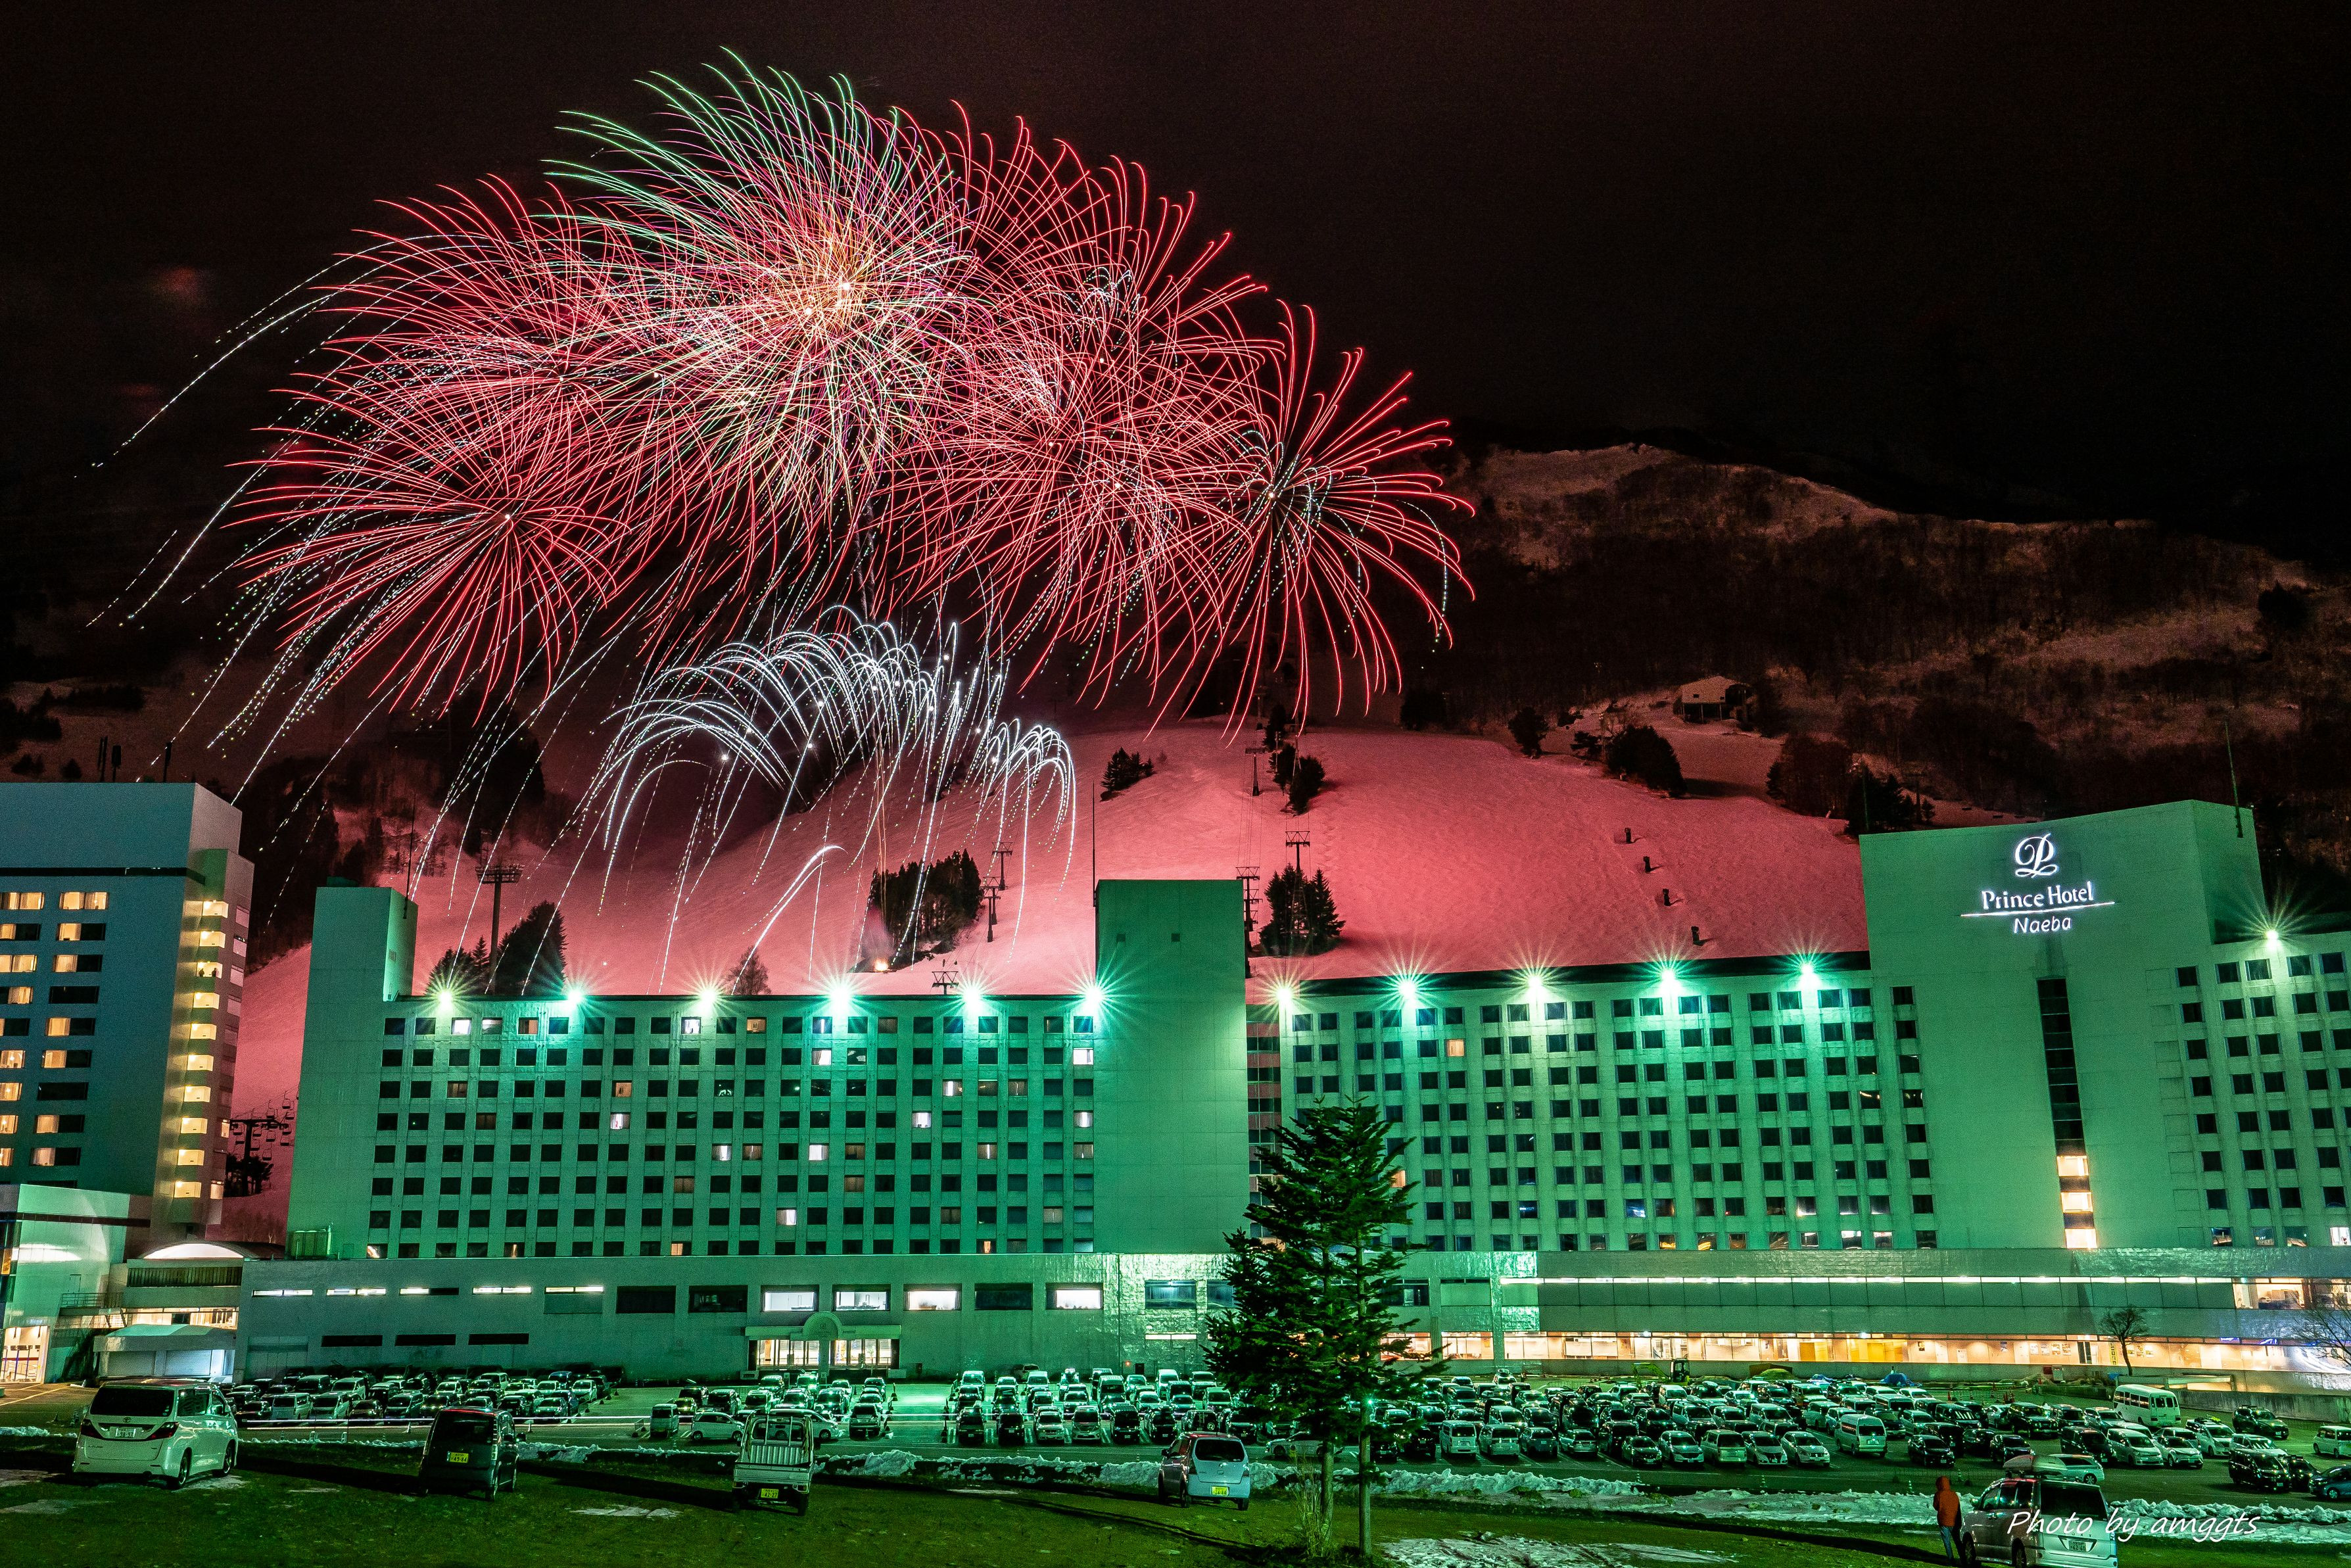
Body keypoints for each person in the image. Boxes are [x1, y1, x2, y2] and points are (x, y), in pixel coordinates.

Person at [1933, 1474, 1963, 1561]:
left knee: (1947, 1541)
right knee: (1958, 1541)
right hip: (1954, 1521)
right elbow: (1958, 1508)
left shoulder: (1938, 1494)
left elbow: (1935, 1506)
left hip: (1944, 1521)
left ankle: (1951, 1559)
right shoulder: (1954, 1495)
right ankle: (1963, 1558)